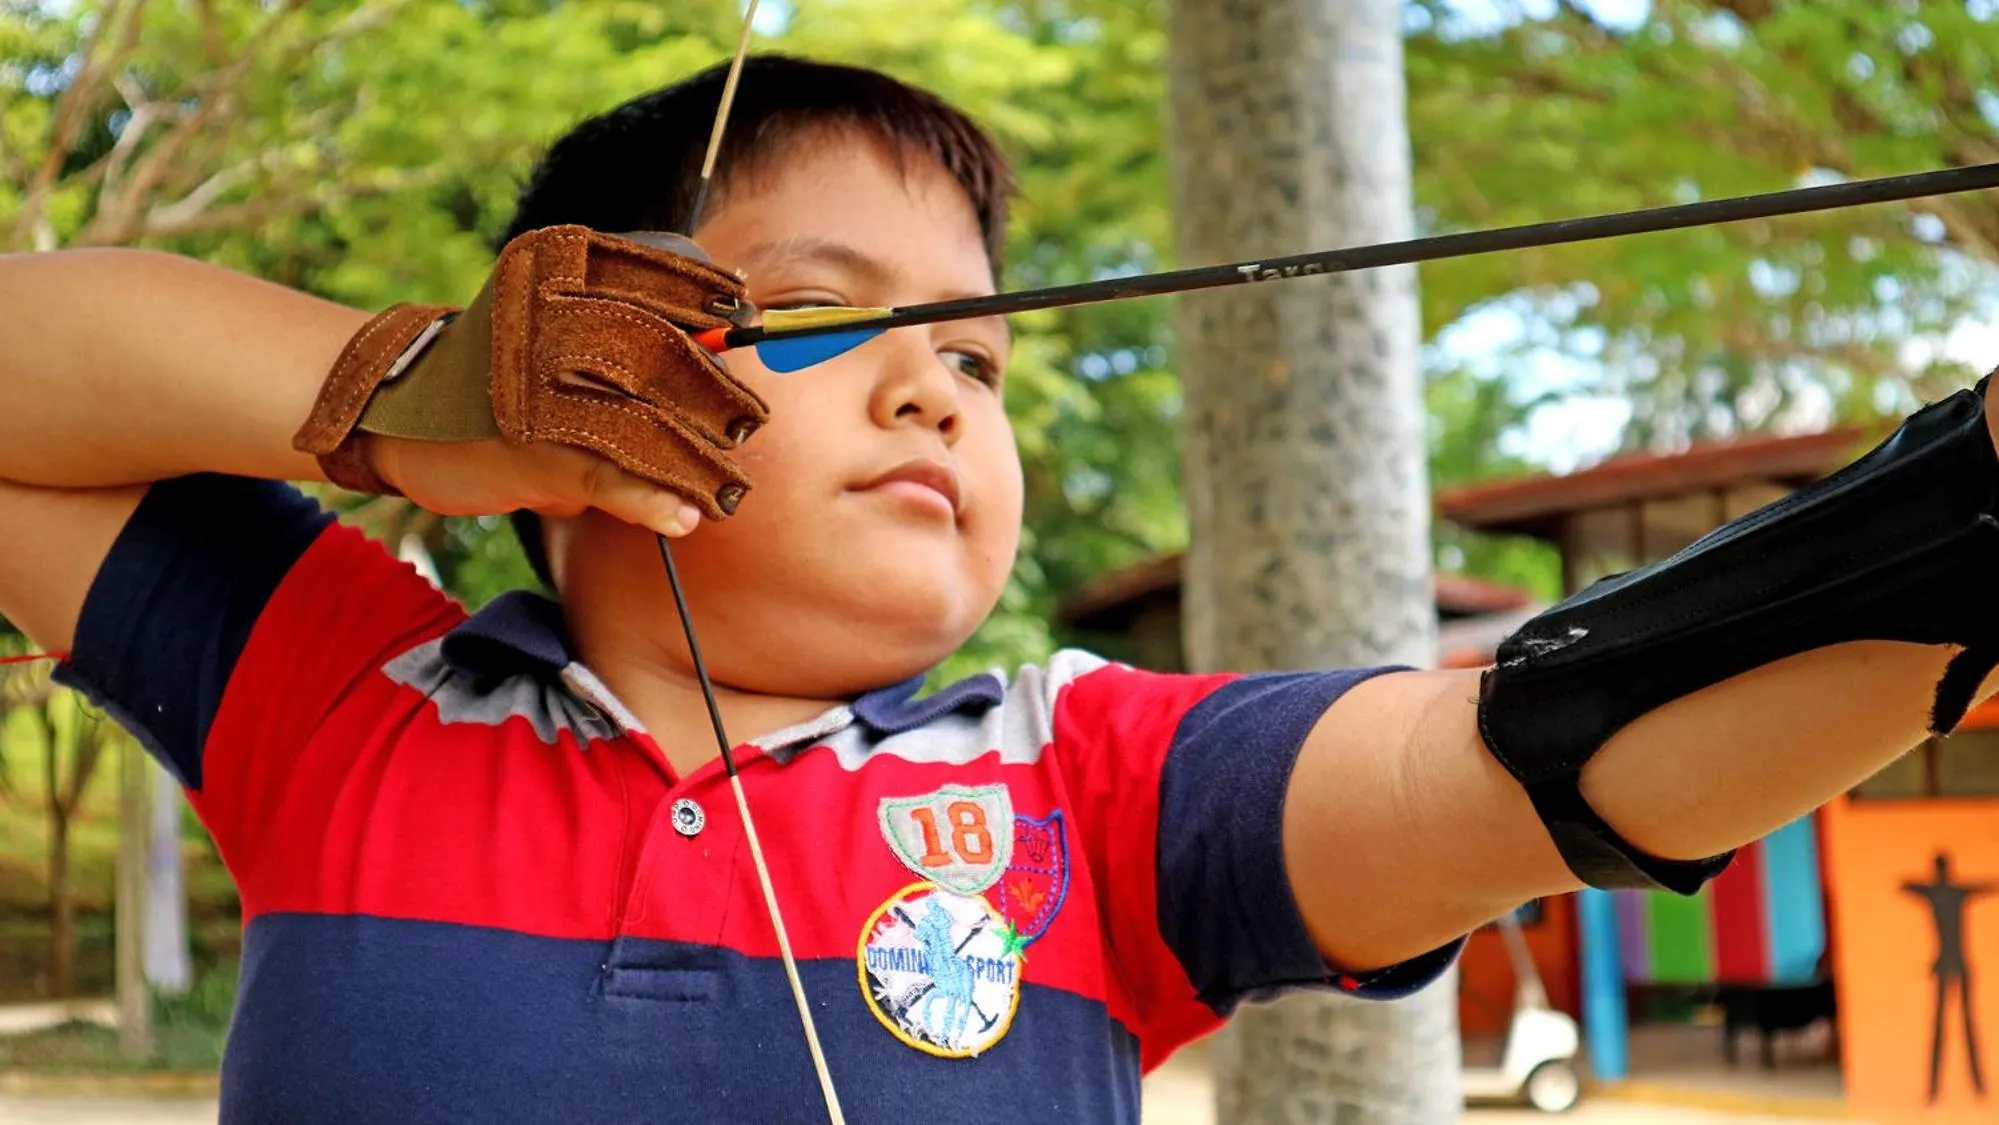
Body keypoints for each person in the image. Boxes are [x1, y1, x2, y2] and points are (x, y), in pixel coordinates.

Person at [2, 52, 1997, 1124]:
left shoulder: (1092, 782)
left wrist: (1955, 523)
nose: (927, 389)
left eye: (977, 357)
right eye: (823, 314)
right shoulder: (349, 689)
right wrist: (411, 398)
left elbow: (1523, 754)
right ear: (576, 363)